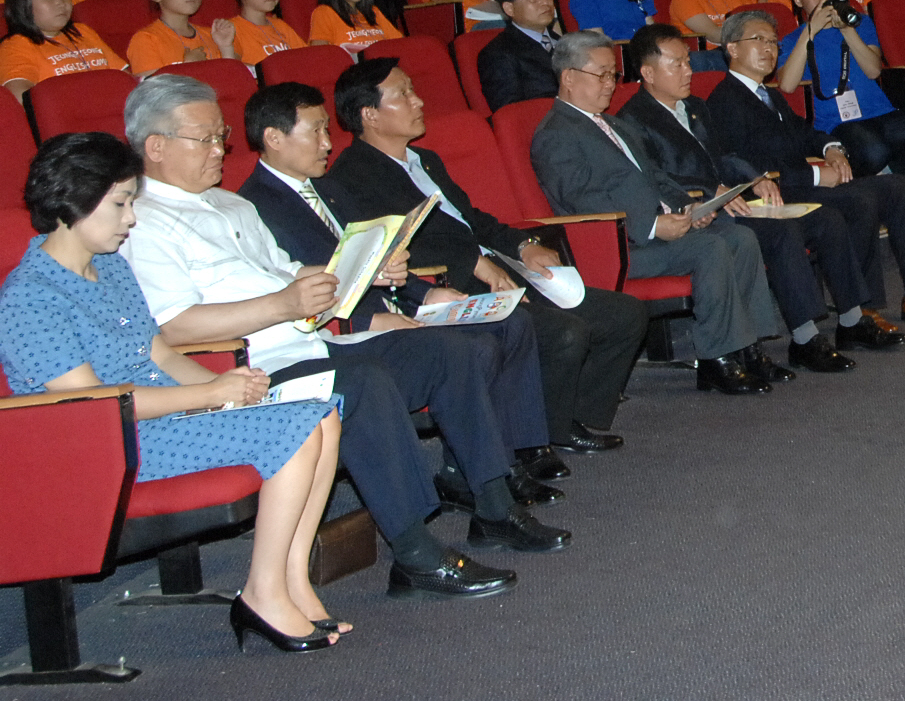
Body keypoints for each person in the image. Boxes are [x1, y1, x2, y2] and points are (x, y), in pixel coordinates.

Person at [119, 75, 545, 599]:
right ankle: (414, 553)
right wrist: (282, 304)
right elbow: (172, 326)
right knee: (364, 384)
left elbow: (286, 270)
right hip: (249, 365)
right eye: (204, 139)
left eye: (220, 136)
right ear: (155, 147)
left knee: (448, 351)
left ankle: (495, 507)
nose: (219, 150)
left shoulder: (231, 205)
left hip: (310, 341)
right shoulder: (141, 222)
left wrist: (361, 272)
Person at [0, 132, 344, 652]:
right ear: (73, 202)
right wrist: (208, 396)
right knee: (296, 427)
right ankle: (262, 593)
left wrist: (227, 387)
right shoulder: (30, 297)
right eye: (120, 204)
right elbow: (94, 406)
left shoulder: (110, 266)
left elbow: (159, 355)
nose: (131, 219)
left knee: (322, 416)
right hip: (101, 446)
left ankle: (292, 581)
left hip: (160, 420)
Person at [234, 84, 567, 497]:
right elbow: (290, 289)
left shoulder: (329, 187)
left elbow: (373, 258)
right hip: (344, 327)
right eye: (316, 131)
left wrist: (424, 294)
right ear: (274, 137)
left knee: (509, 322)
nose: (327, 143)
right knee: (473, 349)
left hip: (395, 308)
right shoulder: (254, 207)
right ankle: (483, 477)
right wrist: (369, 319)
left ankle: (513, 454)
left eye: (326, 130)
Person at [323, 59, 650, 448]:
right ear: (370, 115)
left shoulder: (425, 160)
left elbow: (472, 219)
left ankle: (569, 415)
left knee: (624, 314)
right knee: (564, 332)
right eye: (404, 94)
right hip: (451, 284)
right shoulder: (352, 177)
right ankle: (542, 435)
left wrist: (523, 246)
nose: (419, 101)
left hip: (496, 266)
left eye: (414, 90)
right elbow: (393, 249)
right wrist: (475, 263)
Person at [619, 25, 903, 375]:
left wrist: (755, 177)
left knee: (825, 219)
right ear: (648, 73)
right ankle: (805, 339)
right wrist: (711, 192)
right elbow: (657, 179)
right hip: (700, 210)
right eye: (676, 64)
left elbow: (723, 157)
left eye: (688, 61)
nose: (688, 71)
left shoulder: (694, 106)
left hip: (732, 198)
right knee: (781, 233)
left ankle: (852, 319)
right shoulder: (633, 121)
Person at [526, 32, 787, 392]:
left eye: (613, 75)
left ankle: (747, 348)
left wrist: (688, 205)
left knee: (740, 237)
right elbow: (583, 201)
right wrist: (652, 226)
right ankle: (716, 357)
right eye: (601, 74)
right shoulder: (557, 134)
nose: (610, 84)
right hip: (616, 245)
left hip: (651, 231)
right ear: (569, 77)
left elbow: (657, 177)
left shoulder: (614, 124)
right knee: (709, 248)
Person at [705, 11, 905, 321]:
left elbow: (804, 132)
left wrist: (831, 148)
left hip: (800, 184)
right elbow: (750, 169)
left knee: (897, 185)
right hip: (777, 195)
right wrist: (818, 175)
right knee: (860, 200)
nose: (769, 49)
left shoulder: (768, 95)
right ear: (732, 48)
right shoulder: (724, 101)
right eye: (759, 40)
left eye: (773, 42)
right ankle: (864, 309)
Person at [777, 0, 905, 177]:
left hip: (879, 112)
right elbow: (787, 85)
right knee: (873, 151)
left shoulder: (860, 23)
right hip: (837, 122)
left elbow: (873, 71)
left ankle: (885, 176)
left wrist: (847, 30)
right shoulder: (792, 40)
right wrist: (809, 33)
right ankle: (883, 176)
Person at [0, 0, 129, 99]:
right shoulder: (16, 46)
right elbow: (21, 97)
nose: (61, 3)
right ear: (23, 4)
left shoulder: (82, 31)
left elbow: (125, 78)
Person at [478, 0, 562, 111]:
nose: (545, 2)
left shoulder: (563, 42)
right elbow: (510, 113)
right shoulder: (498, 54)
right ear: (509, 9)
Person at [126, 0, 221, 75]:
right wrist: (187, 67)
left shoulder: (212, 34)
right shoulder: (146, 40)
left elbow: (231, 78)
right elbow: (151, 86)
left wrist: (226, 47)